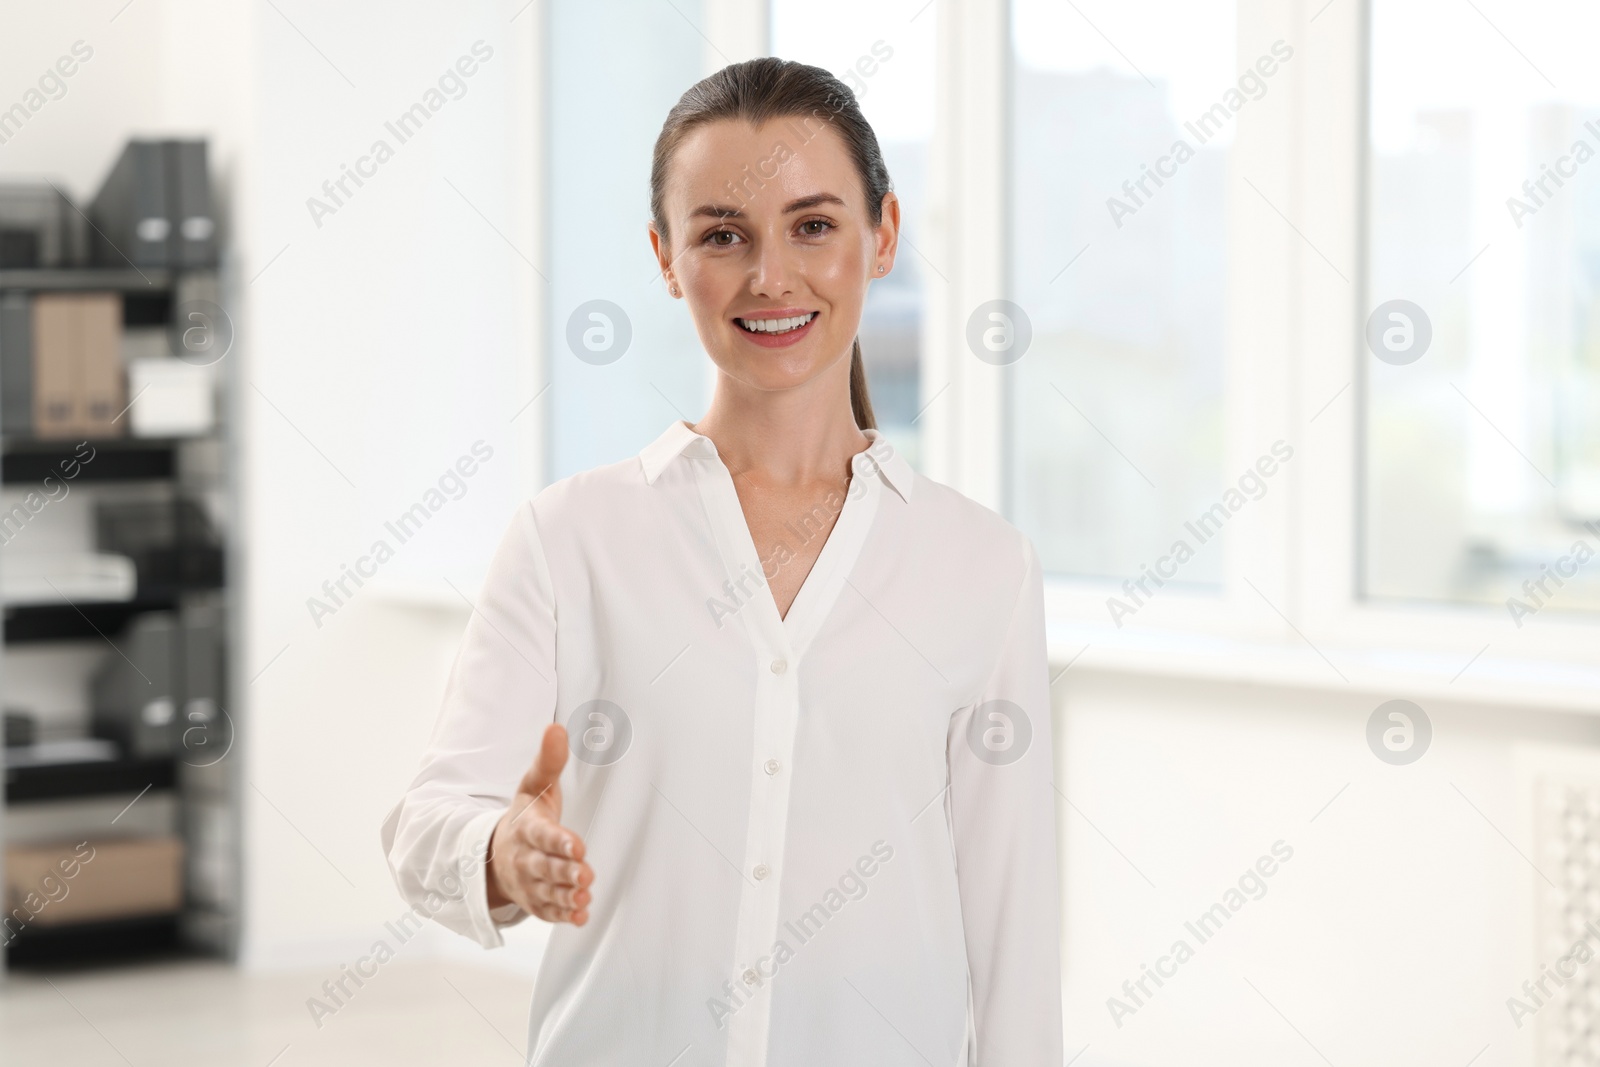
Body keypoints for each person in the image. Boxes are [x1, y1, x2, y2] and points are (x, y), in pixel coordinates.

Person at [382, 56, 1062, 1065]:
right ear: (665, 256)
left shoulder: (982, 567)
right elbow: (426, 821)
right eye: (722, 235)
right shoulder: (571, 538)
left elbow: (1013, 924)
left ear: (882, 237)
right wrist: (499, 853)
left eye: (814, 225)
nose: (770, 275)